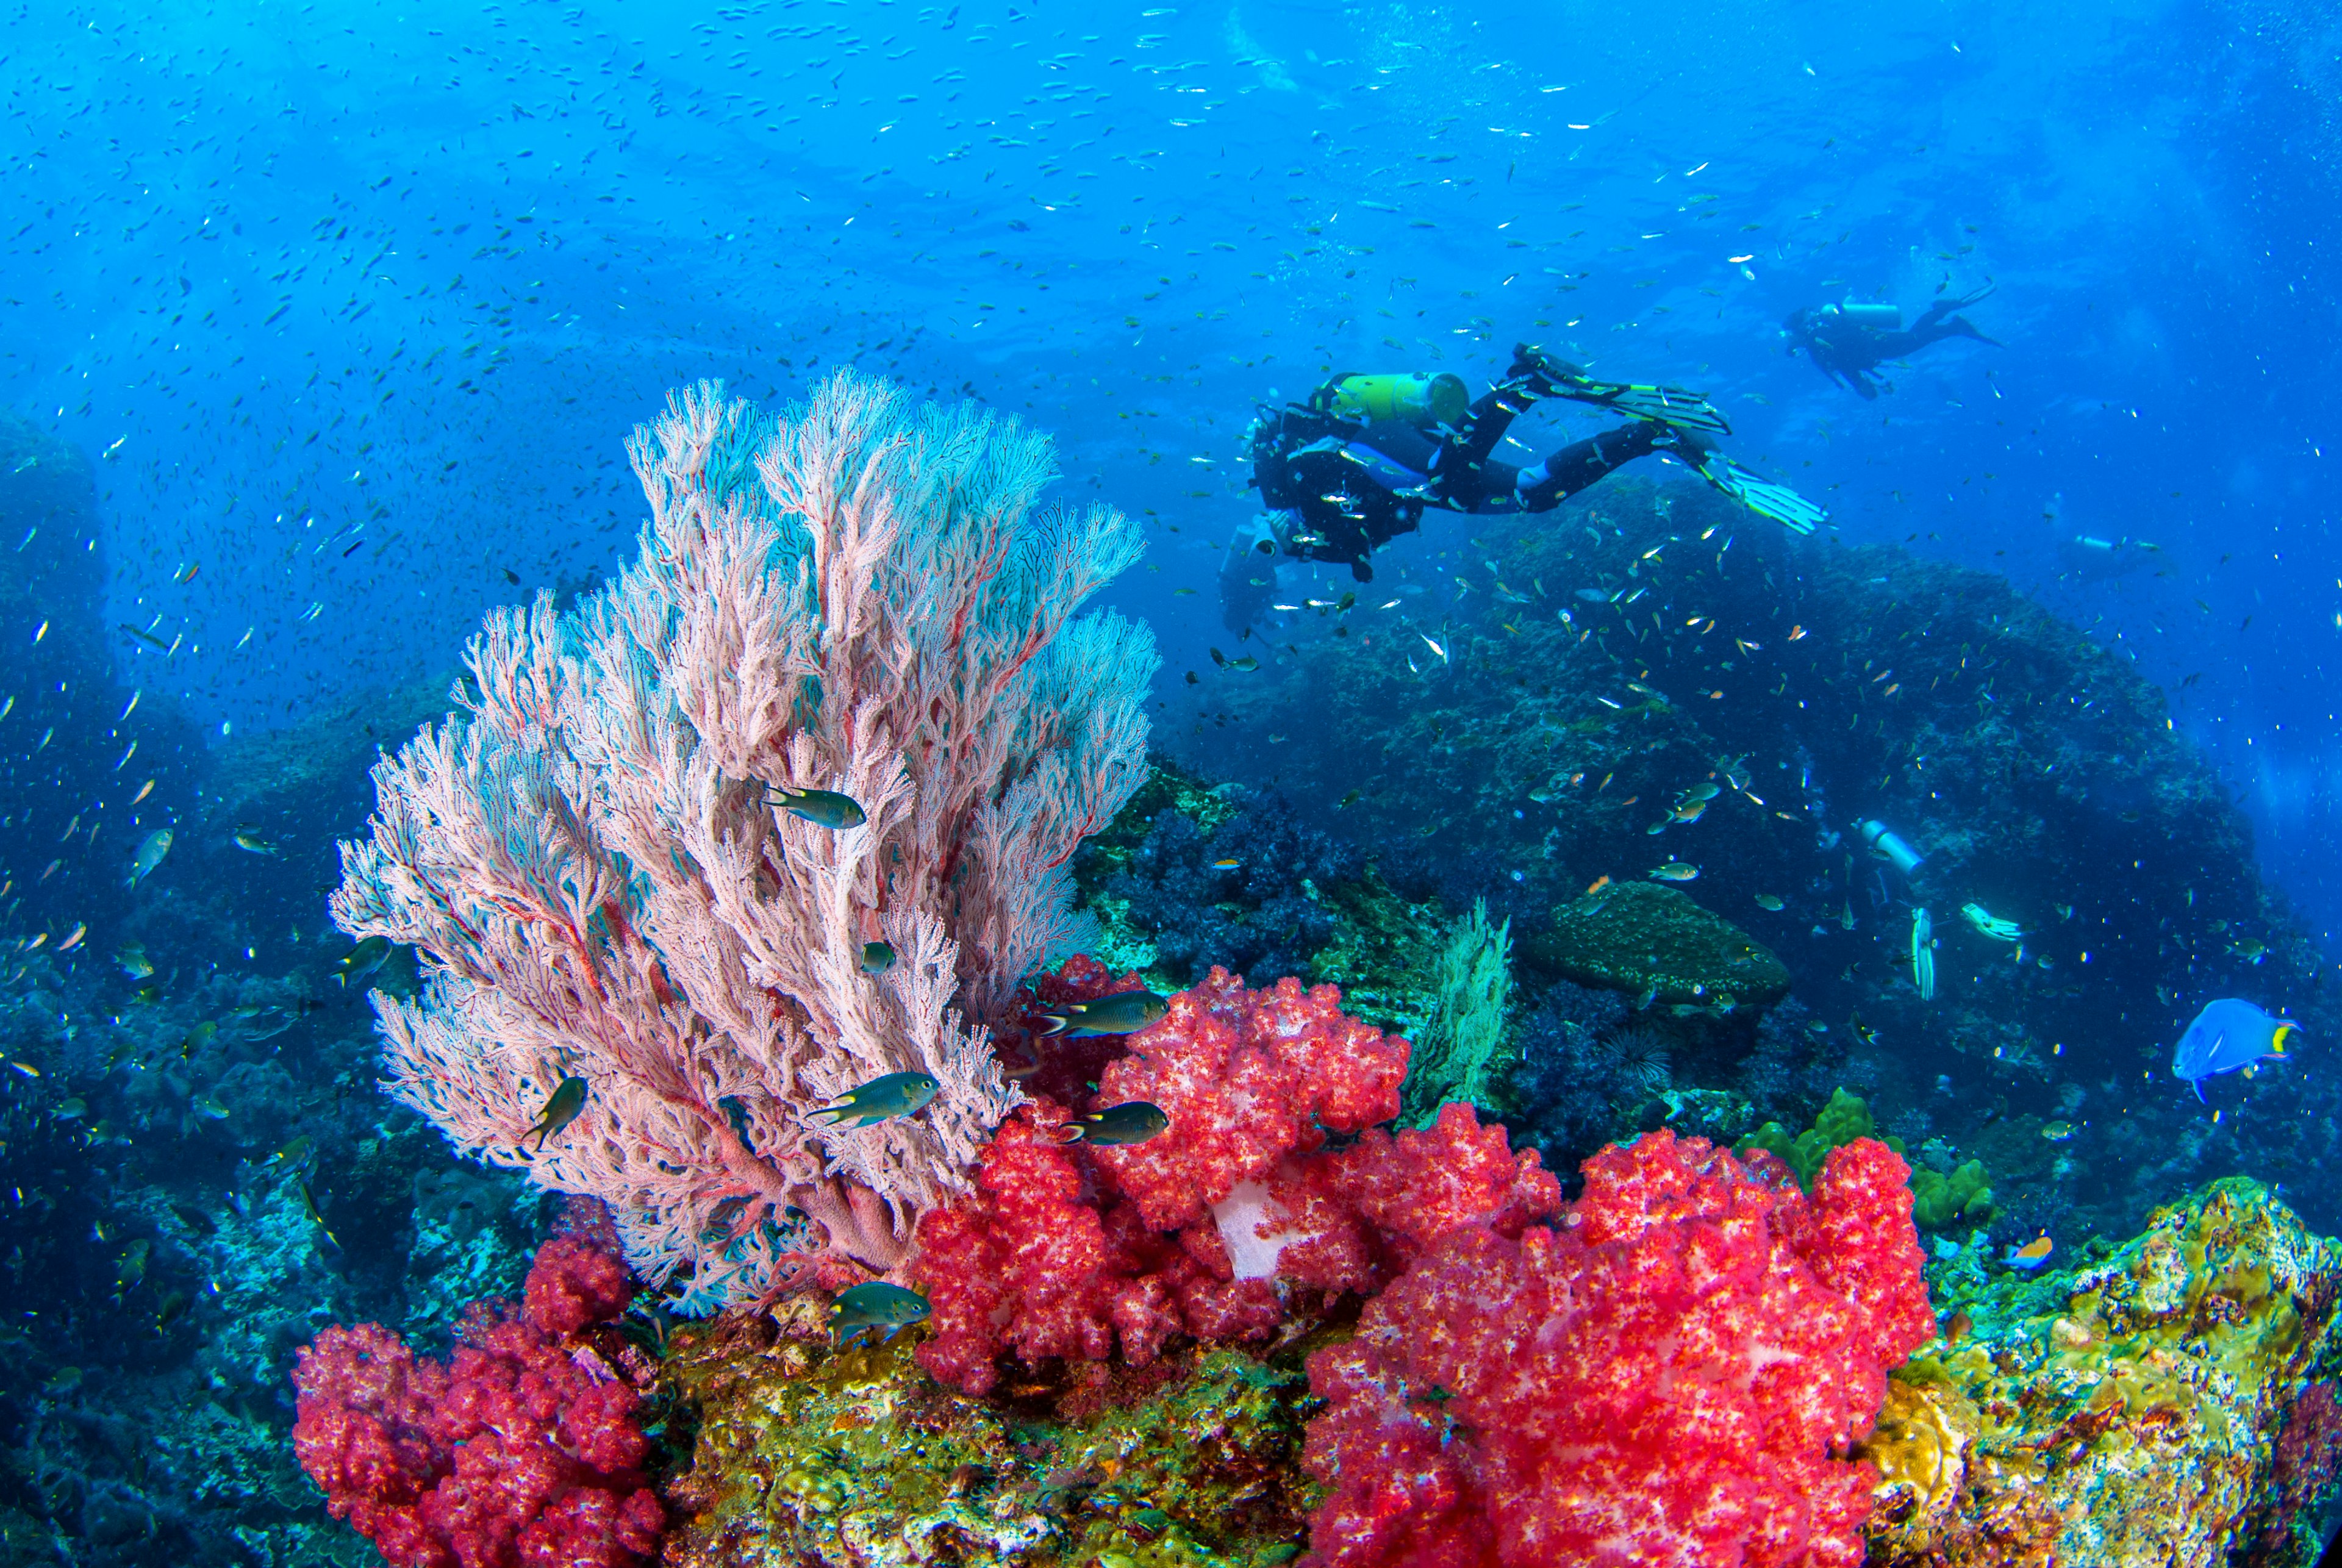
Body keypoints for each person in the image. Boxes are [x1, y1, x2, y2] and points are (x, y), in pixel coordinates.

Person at [1221, 346, 1822, 632]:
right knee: (1534, 494)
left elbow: (1347, 509)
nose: (1286, 550)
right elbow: (1377, 527)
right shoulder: (1304, 516)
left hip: (1380, 450)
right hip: (1413, 469)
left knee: (1441, 476)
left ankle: (1525, 381)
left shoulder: (1284, 491)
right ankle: (1648, 436)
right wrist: (1348, 548)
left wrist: (1308, 537)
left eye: (1274, 552)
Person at [1782, 287, 1999, 399]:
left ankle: (1952, 321)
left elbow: (1843, 363)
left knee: (1914, 339)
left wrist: (1861, 386)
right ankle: (1944, 314)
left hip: (1875, 345)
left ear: (1797, 333)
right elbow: (1845, 361)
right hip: (1875, 343)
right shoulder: (1820, 336)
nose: (1793, 343)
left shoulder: (1815, 344)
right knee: (1913, 337)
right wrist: (1862, 383)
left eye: (1792, 338)